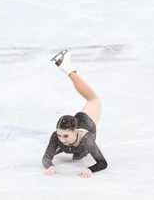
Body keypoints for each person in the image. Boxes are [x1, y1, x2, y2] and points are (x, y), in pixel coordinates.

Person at [42, 49, 108, 178]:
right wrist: (50, 166)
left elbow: (102, 163)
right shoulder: (57, 136)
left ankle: (68, 68)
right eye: (59, 135)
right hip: (76, 134)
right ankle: (67, 67)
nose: (61, 139)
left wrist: (90, 170)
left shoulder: (86, 139)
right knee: (92, 98)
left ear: (75, 131)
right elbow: (46, 158)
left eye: (65, 136)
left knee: (93, 99)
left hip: (87, 121)